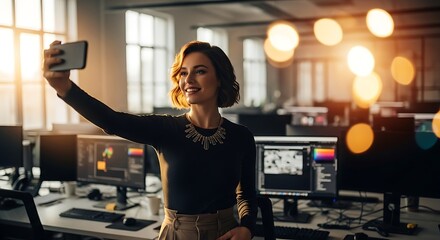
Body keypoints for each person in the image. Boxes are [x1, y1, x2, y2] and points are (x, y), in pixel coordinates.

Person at [43, 40, 257, 240]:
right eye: (183, 73)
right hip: (177, 234)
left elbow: (246, 194)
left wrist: (247, 227)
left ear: (220, 78)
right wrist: (64, 88)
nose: (188, 80)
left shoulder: (242, 136)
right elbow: (112, 121)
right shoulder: (165, 129)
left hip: (227, 233)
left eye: (199, 71)